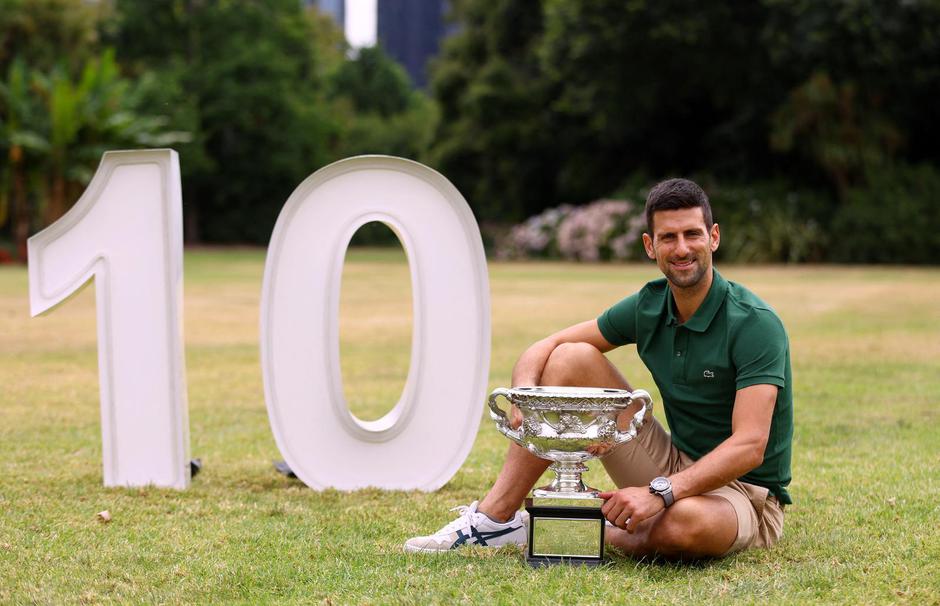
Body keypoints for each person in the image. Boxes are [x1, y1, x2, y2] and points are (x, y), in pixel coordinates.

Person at [404, 178, 792, 559]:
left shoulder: (754, 323)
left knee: (683, 525)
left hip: (743, 493)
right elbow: (547, 346)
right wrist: (525, 397)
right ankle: (496, 519)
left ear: (713, 238)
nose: (681, 248)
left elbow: (750, 446)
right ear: (650, 245)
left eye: (692, 234)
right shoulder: (650, 305)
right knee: (569, 358)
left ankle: (553, 527)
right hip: (675, 461)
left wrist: (659, 493)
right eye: (668, 238)